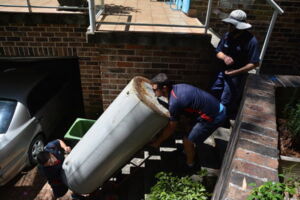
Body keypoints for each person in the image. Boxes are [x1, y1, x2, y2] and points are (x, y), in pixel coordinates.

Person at [150, 73, 227, 173]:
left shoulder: (175, 102)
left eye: (155, 89)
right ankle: (188, 150)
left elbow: (171, 127)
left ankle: (190, 165)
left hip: (214, 116)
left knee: (187, 141)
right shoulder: (178, 88)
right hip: (215, 107)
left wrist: (158, 142)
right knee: (188, 129)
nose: (153, 91)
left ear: (164, 88)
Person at [211, 9, 260, 119]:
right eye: (229, 24)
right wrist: (224, 57)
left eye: (232, 25)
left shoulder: (251, 41)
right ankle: (214, 116)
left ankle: (222, 120)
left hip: (236, 77)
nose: (229, 27)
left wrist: (235, 72)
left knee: (226, 100)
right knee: (215, 92)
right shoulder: (227, 35)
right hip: (222, 72)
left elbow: (255, 63)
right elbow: (218, 51)